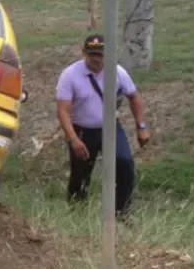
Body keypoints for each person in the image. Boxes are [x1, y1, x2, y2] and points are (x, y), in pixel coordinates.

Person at [55, 34, 151, 218]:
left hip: (110, 128)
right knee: (80, 174)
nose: (96, 58)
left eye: (100, 54)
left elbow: (134, 97)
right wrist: (73, 139)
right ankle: (77, 215)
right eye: (91, 54)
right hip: (81, 130)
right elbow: (63, 110)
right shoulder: (70, 75)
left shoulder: (117, 72)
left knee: (124, 163)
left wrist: (141, 126)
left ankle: (122, 213)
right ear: (84, 52)